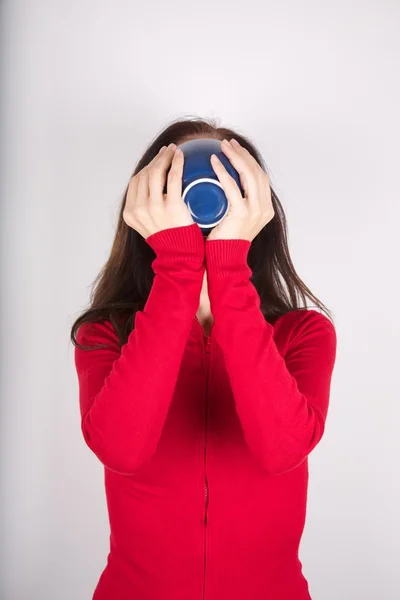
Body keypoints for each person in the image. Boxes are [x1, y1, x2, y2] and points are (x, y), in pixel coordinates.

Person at [71, 116, 337, 600]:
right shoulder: (104, 333)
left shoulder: (304, 333)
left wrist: (228, 265)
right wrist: (178, 267)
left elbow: (281, 450)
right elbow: (121, 449)